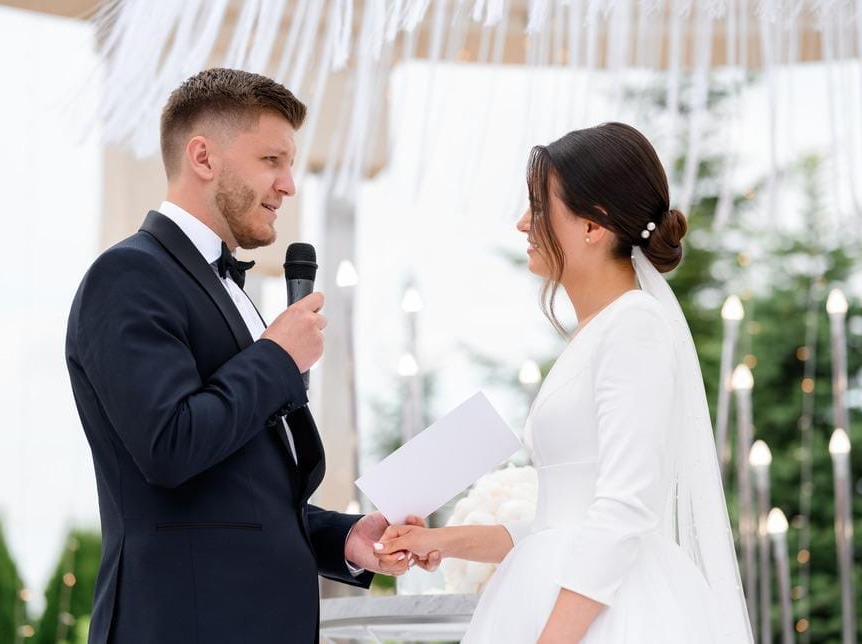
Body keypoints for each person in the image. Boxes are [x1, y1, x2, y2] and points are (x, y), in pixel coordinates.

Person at [65, 68, 436, 644]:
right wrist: (276, 358)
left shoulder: (226, 287)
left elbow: (236, 493)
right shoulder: (129, 275)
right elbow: (169, 447)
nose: (289, 184)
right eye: (271, 160)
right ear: (203, 157)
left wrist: (342, 539)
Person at [372, 123, 753, 643]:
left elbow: (624, 508)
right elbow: (556, 528)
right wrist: (437, 538)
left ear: (593, 227)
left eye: (538, 206)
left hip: (609, 612)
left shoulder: (635, 326)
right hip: (556, 588)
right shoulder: (596, 332)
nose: (523, 222)